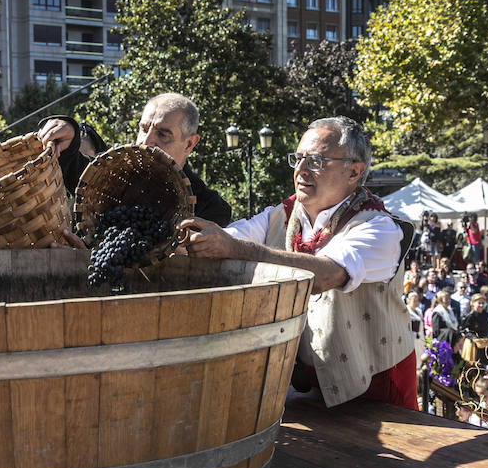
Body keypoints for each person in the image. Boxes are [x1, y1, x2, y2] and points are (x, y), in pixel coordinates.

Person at [180, 116, 416, 408]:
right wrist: (185, 242)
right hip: (310, 392)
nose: (301, 170)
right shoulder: (280, 215)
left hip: (377, 391)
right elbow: (229, 238)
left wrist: (236, 248)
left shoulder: (379, 227)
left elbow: (327, 274)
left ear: (354, 172)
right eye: (299, 158)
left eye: (316, 161)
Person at [36, 93, 232, 225]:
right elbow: (77, 168)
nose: (146, 142)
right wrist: (67, 131)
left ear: (189, 144)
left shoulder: (211, 210)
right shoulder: (112, 177)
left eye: (162, 135)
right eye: (144, 129)